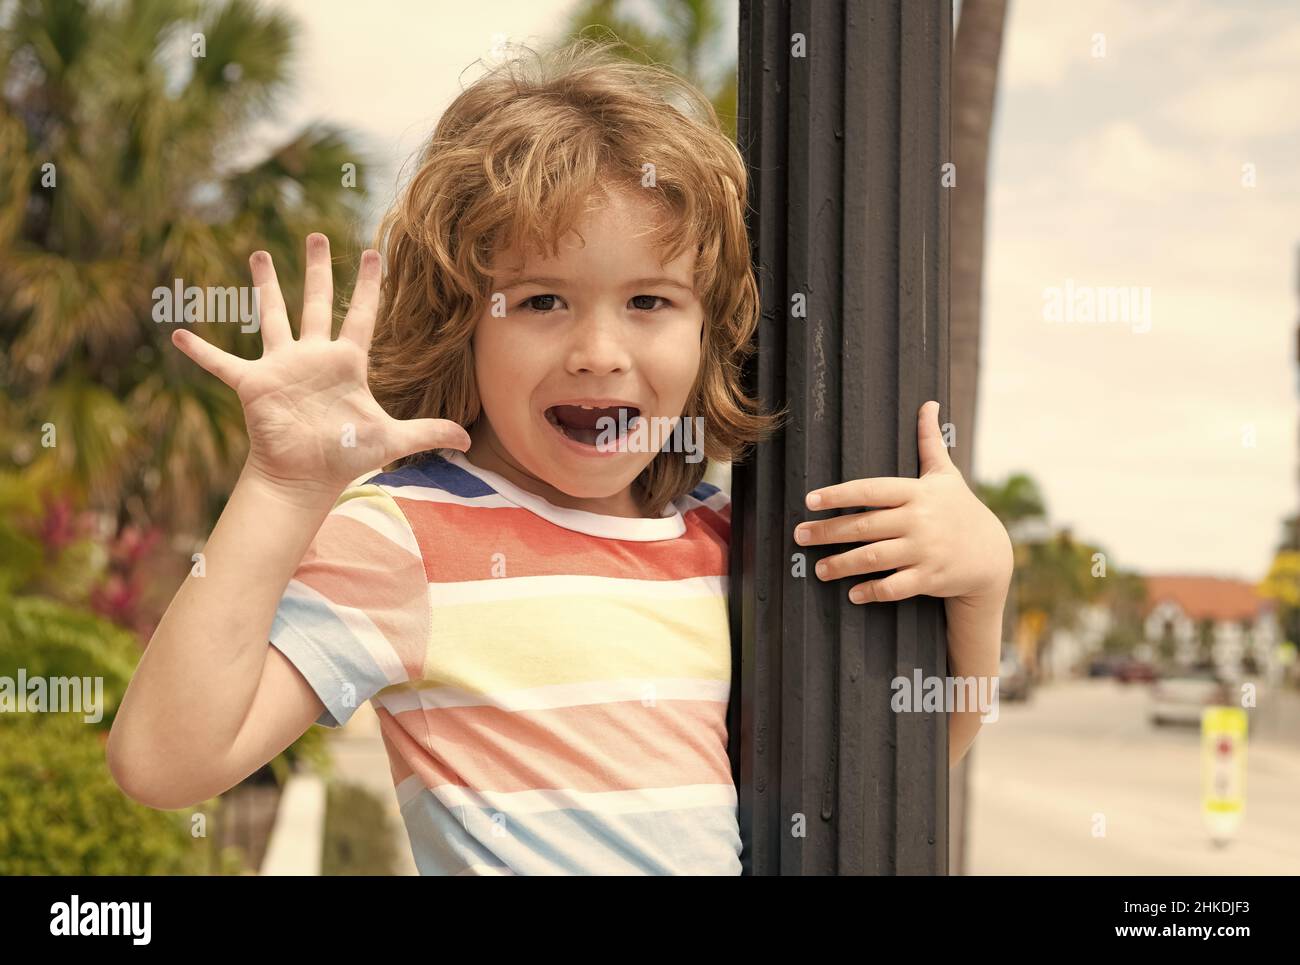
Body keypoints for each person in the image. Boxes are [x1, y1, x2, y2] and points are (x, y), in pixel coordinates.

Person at [108, 38, 1011, 875]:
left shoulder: (729, 540)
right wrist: (281, 486)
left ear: (713, 331)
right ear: (462, 324)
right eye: (541, 301)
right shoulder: (409, 537)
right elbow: (163, 760)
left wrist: (983, 587)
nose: (598, 350)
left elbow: (886, 777)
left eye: (650, 302)